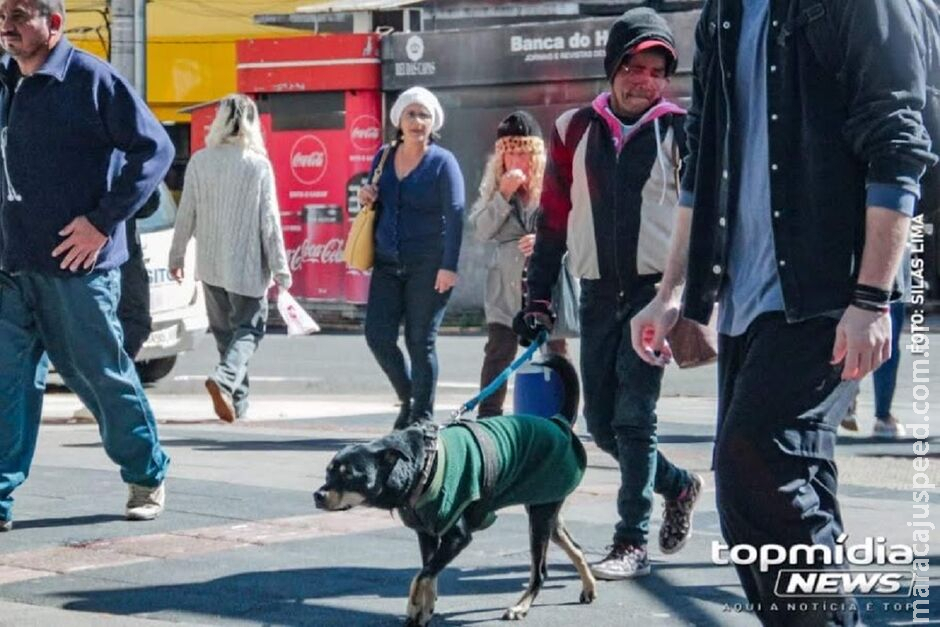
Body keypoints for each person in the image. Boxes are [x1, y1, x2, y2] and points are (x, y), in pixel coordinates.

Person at [631, 0, 935, 623]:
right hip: (746, 295)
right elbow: (703, 153)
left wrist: (872, 298)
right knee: (781, 492)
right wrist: (673, 291)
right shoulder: (723, 11)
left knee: (758, 468)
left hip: (826, 290)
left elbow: (898, 141)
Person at [514, 8, 703, 581]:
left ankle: (630, 540)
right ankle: (678, 484)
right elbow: (551, 221)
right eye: (633, 65)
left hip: (654, 295)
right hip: (596, 294)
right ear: (612, 66)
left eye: (656, 69)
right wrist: (538, 299)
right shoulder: (573, 128)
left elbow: (705, 221)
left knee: (635, 420)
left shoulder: (682, 129)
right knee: (599, 425)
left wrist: (690, 295)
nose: (644, 79)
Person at [0, 0, 174, 530]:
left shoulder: (91, 79)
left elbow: (156, 150)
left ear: (55, 23)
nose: (6, 23)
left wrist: (102, 222)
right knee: (7, 385)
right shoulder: (5, 80)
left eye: (20, 14)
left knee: (100, 377)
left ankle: (146, 472)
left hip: (79, 269)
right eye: (2, 12)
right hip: (11, 264)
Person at [169, 94, 291, 424]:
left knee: (227, 336)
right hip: (248, 267)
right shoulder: (257, 165)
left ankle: (238, 403)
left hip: (210, 265)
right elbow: (270, 222)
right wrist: (281, 268)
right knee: (250, 330)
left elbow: (186, 213)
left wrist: (177, 254)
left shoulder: (200, 161)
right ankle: (225, 382)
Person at [358, 86, 464, 430]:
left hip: (429, 265)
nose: (418, 121)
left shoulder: (442, 162)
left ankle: (422, 416)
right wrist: (367, 195)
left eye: (425, 115)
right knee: (378, 335)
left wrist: (449, 266)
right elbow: (375, 199)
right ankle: (408, 396)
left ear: (433, 122)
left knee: (421, 340)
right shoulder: (384, 156)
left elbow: (457, 212)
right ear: (399, 120)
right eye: (411, 114)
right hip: (388, 263)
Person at [469, 111, 569, 418]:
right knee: (498, 352)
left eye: (523, 153)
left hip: (544, 285)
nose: (517, 161)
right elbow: (482, 231)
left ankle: (563, 415)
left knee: (555, 350)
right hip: (505, 290)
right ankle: (488, 417)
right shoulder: (495, 191)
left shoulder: (552, 188)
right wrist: (503, 195)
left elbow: (572, 229)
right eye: (510, 154)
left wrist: (541, 240)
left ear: (535, 156)